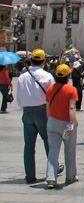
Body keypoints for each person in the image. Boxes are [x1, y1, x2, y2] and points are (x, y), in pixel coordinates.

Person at [16, 49, 55, 184]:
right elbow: (51, 97)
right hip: (42, 111)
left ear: (31, 61)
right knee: (49, 143)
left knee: (29, 146)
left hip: (27, 112)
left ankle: (30, 176)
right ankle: (52, 171)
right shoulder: (48, 76)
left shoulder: (22, 77)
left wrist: (24, 108)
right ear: (44, 61)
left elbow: (19, 97)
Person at [45, 64, 79, 189]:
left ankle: (51, 178)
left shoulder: (50, 89)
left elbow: (48, 107)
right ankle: (70, 176)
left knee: (53, 151)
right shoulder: (71, 90)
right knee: (69, 150)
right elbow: (71, 107)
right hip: (66, 123)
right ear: (67, 77)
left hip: (52, 122)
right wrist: (71, 123)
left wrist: (50, 120)